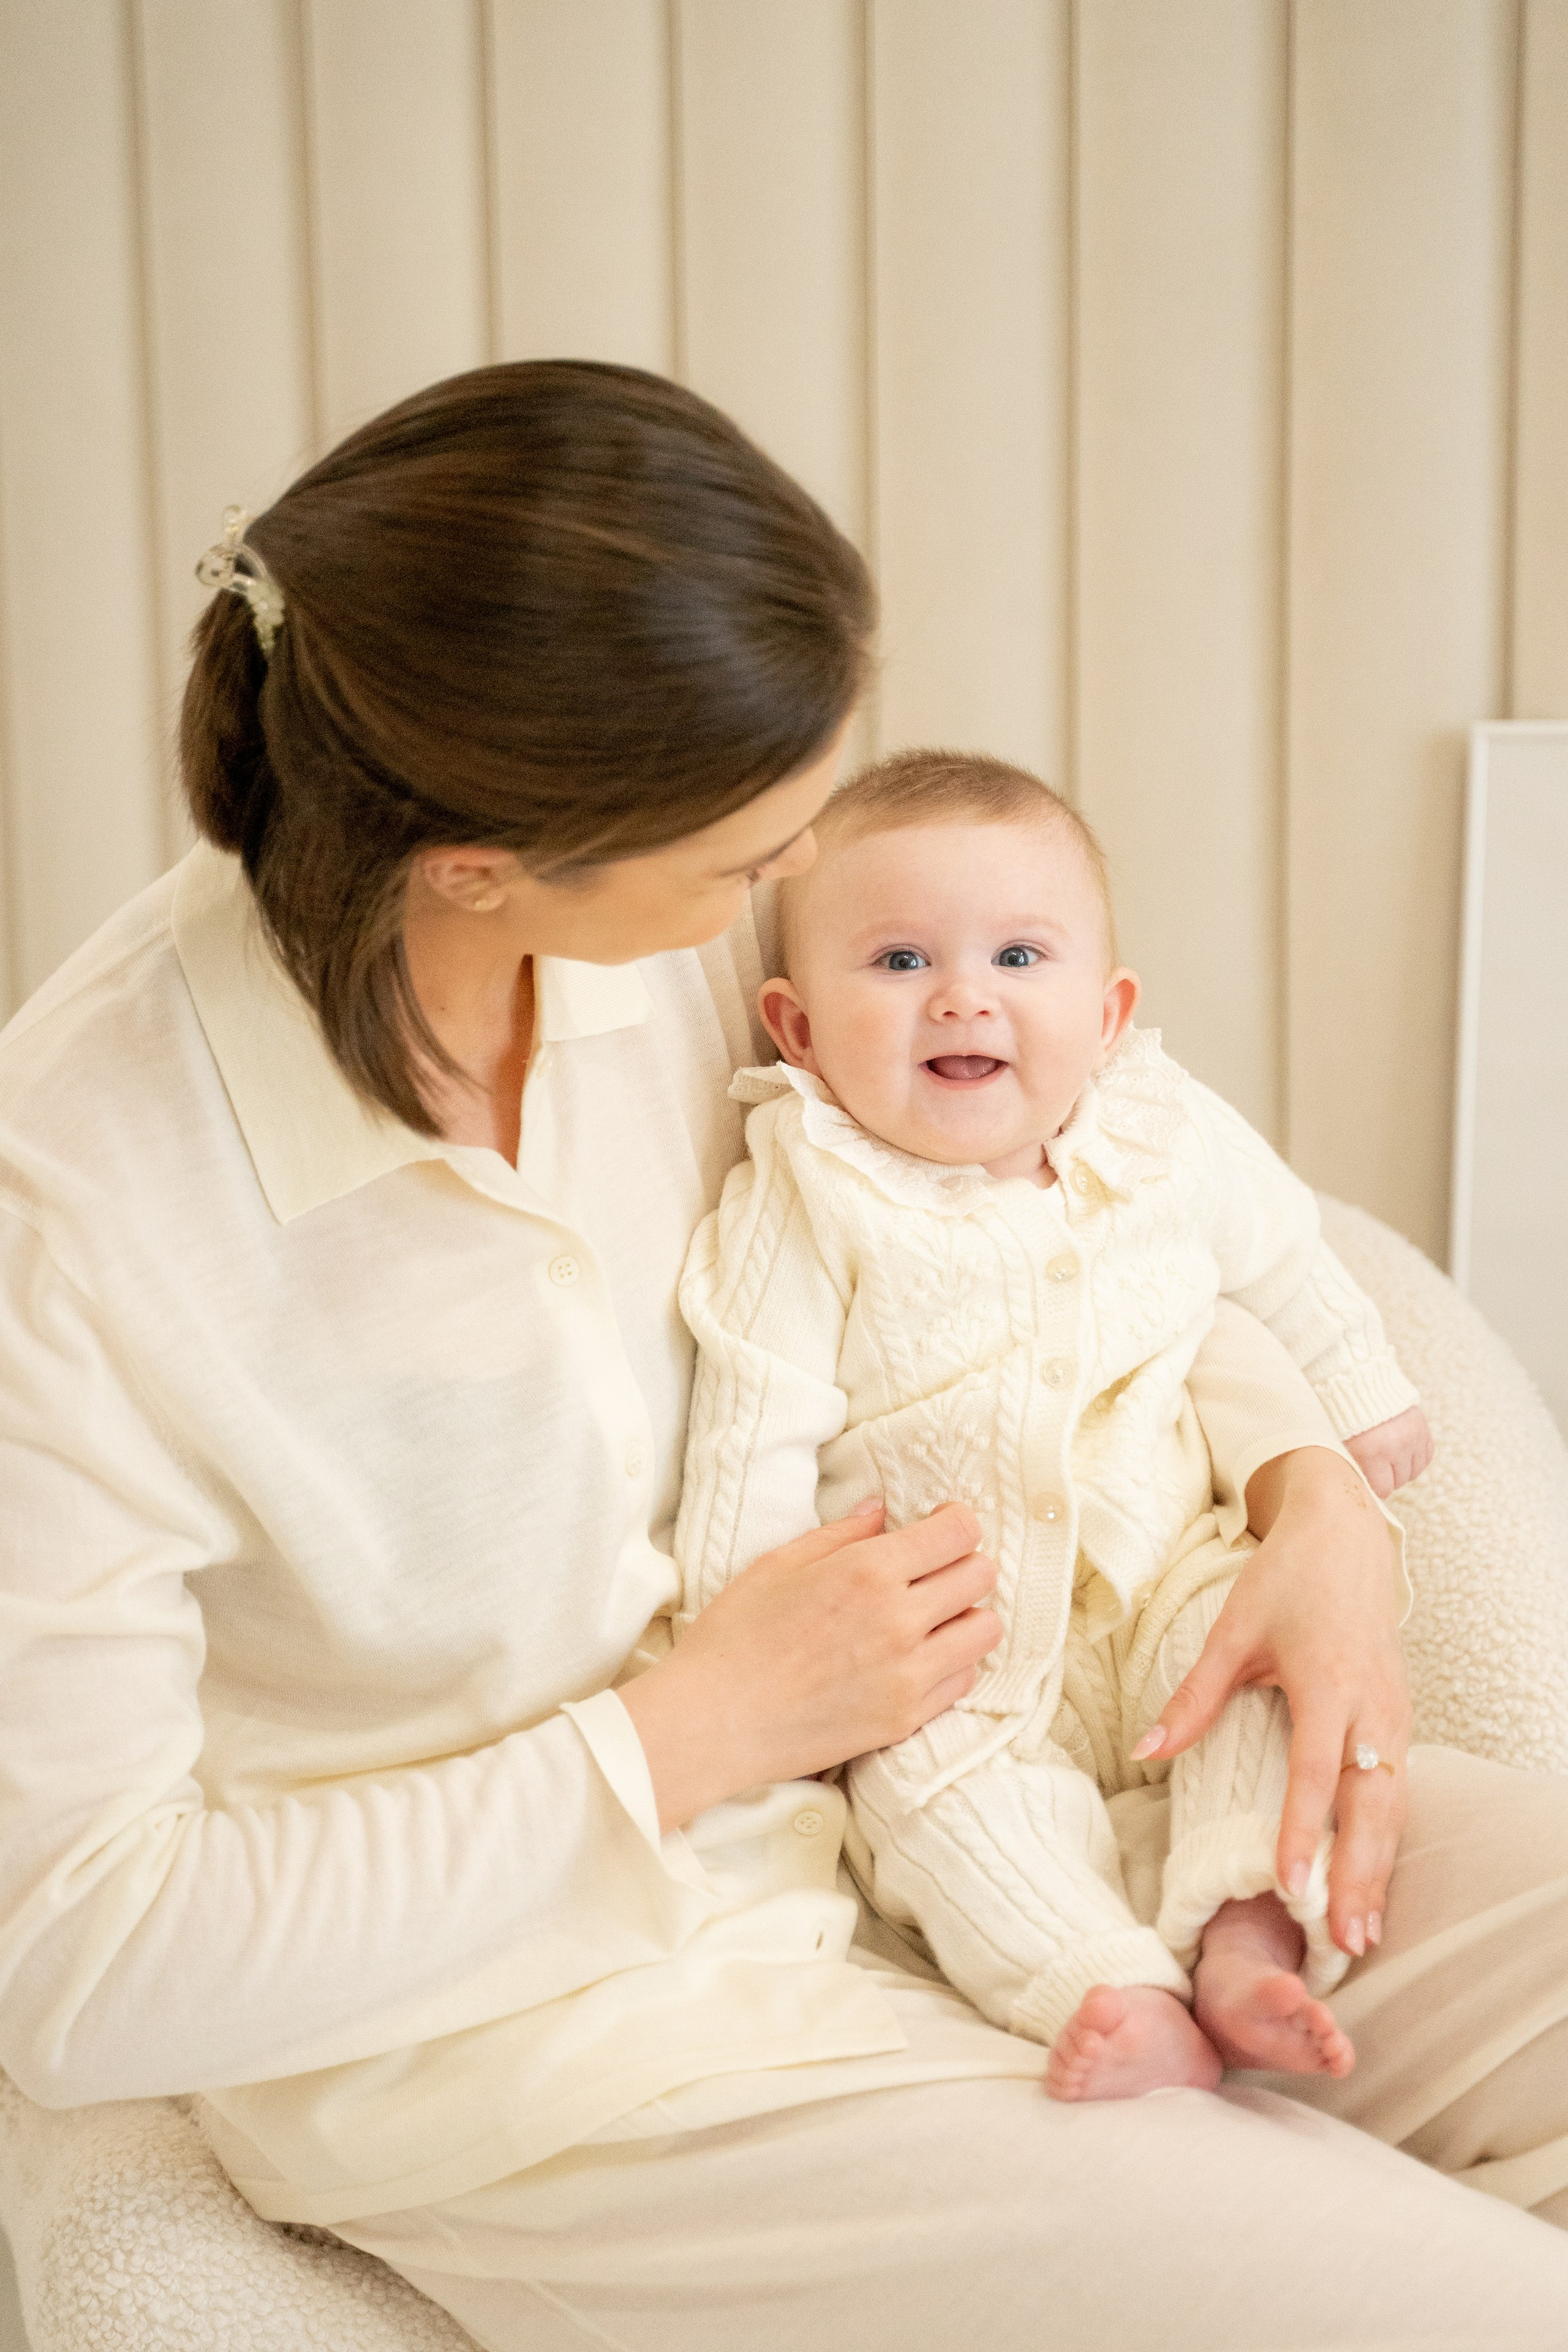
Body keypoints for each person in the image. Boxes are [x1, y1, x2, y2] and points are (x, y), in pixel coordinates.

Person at [0, 361, 1565, 2352]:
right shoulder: (77, 1224)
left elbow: (1055, 1190)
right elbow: (75, 1964)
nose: (813, 892)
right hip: (592, 2037)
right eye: (753, 862)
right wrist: (687, 1737)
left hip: (1068, 1760)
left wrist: (1313, 1492)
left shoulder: (652, 957)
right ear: (482, 862)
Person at [674, 747, 1433, 2104]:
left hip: (1165, 1578)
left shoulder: (1164, 1130)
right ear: (793, 1028)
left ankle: (1242, 1929)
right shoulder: (807, 1184)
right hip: (949, 1645)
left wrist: (1361, 1397)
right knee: (928, 1805)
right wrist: (746, 1621)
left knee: (1249, 1672)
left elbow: (1282, 1258)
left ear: (1105, 1009)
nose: (962, 993)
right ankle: (1107, 1986)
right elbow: (752, 1405)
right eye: (898, 963)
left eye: (1020, 958)